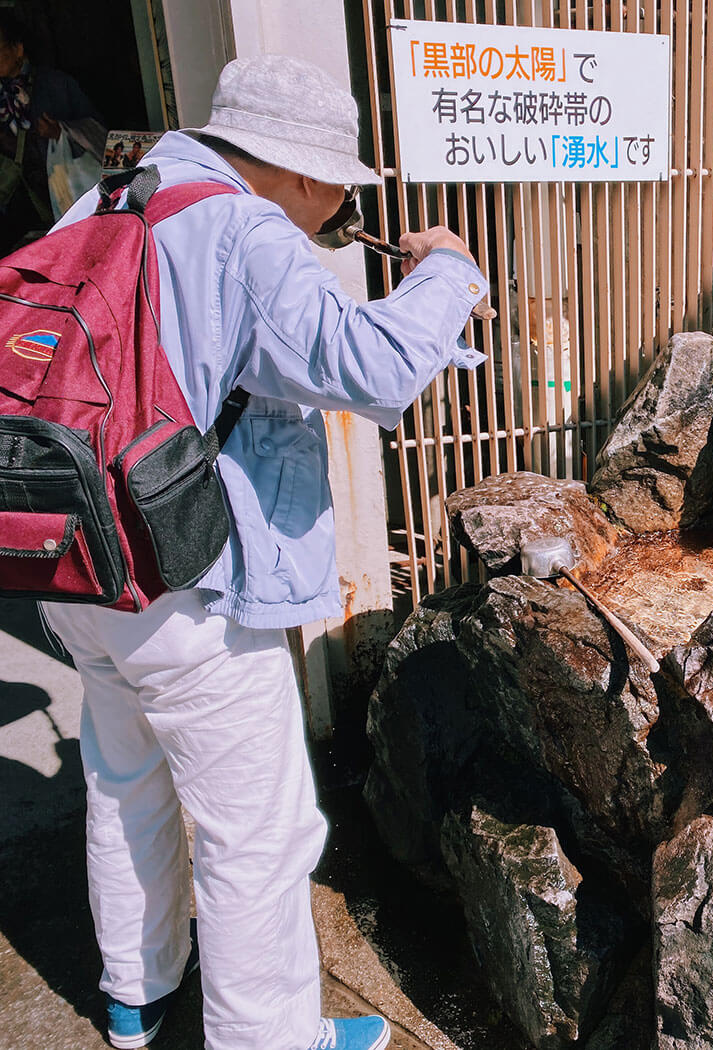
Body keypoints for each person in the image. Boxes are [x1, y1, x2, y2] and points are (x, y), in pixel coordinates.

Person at [39, 54, 490, 1050]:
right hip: (180, 581)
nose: (338, 201)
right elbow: (369, 369)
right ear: (292, 166)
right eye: (337, 180)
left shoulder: (111, 198)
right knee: (259, 838)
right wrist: (451, 271)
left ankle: (134, 996)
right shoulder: (243, 227)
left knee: (125, 781)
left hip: (74, 559)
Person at [0, 11, 104, 253]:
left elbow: (100, 135)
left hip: (61, 199)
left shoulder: (57, 85)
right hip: (13, 209)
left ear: (18, 49)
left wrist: (61, 132)